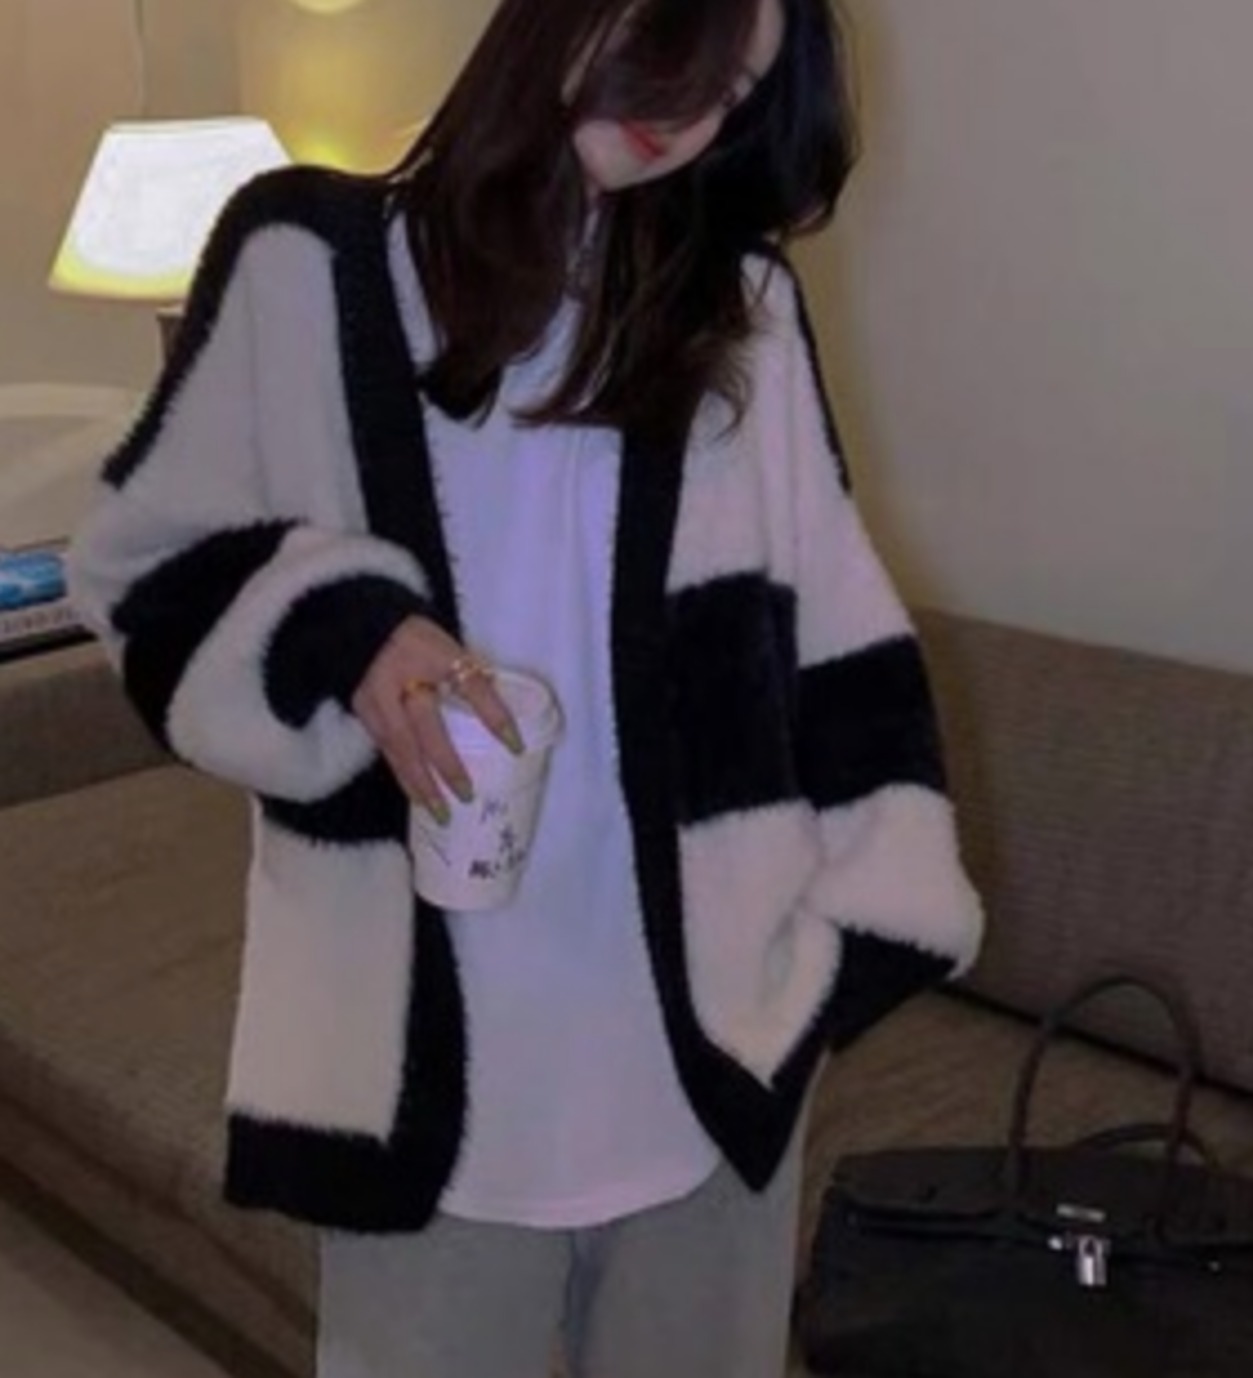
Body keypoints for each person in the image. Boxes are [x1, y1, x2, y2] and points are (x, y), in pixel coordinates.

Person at [66, 0, 984, 1373]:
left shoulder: (742, 309)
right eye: (681, 44)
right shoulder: (304, 263)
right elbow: (138, 564)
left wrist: (840, 955)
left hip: (707, 1074)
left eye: (739, 91)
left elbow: (837, 637)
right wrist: (345, 632)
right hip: (425, 1095)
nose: (695, 112)